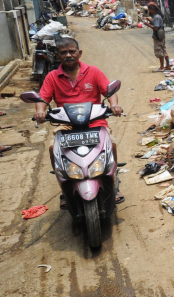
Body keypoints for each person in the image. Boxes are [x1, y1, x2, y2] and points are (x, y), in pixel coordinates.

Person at [36, 37, 124, 205]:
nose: (68, 55)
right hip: (66, 124)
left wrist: (114, 105)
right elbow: (43, 98)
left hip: (95, 121)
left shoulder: (94, 71)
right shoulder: (52, 77)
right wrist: (40, 111)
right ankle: (65, 188)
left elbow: (109, 91)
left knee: (110, 145)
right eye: (63, 52)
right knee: (52, 148)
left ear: (79, 53)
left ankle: (112, 180)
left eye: (72, 51)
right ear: (57, 55)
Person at [145, 2, 170, 72]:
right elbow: (157, 25)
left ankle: (162, 67)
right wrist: (150, 21)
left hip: (157, 36)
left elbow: (156, 28)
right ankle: (168, 65)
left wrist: (148, 24)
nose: (149, 11)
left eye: (149, 9)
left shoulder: (156, 17)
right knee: (164, 50)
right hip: (161, 35)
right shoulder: (158, 16)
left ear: (152, 9)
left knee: (159, 51)